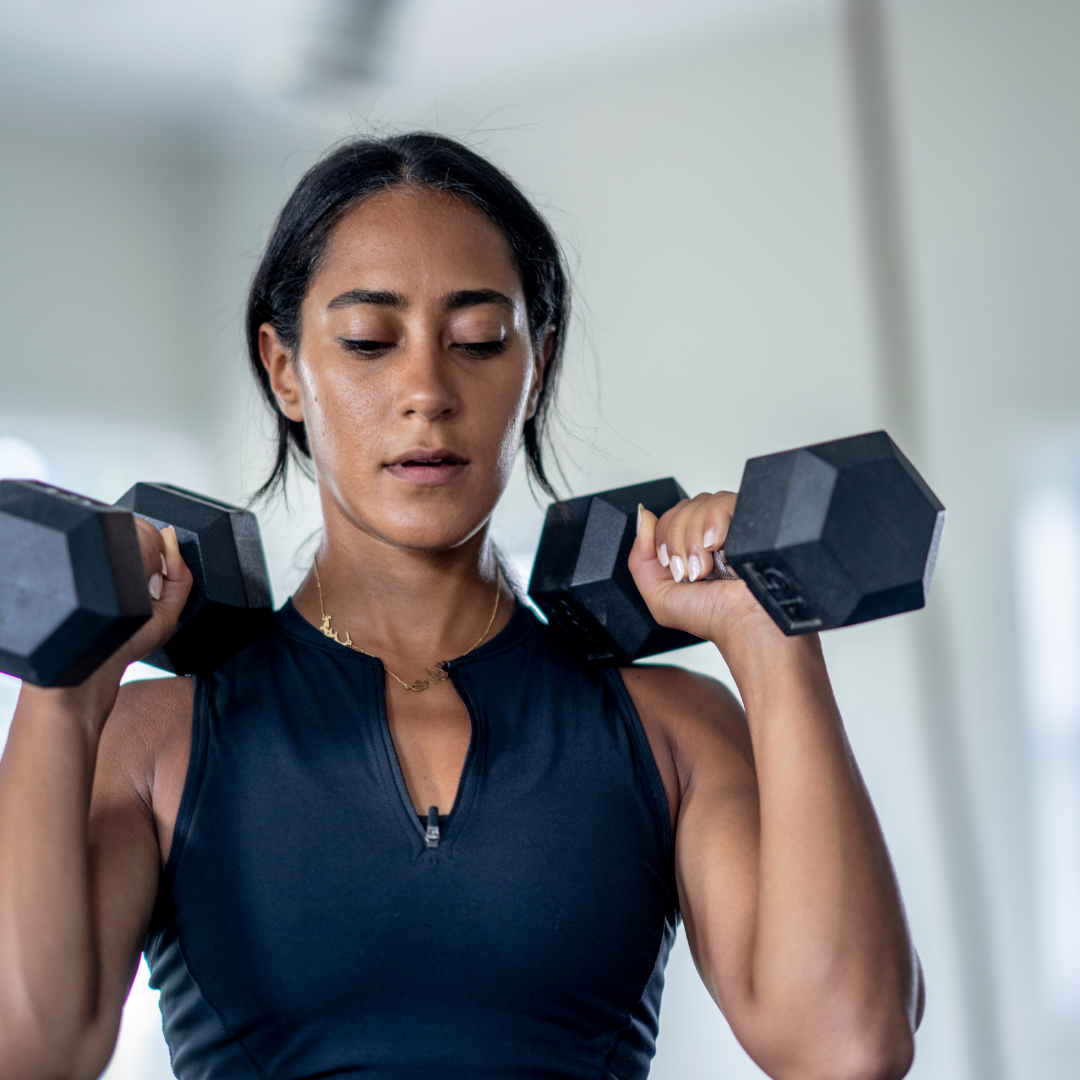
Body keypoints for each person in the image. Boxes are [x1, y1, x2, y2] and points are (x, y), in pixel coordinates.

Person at [0, 133, 923, 1080]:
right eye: (367, 341)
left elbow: (848, 1046)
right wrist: (65, 688)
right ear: (283, 369)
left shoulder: (669, 729)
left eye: (480, 341)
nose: (427, 393)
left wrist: (773, 648)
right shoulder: (155, 740)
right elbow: (28, 1050)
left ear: (536, 367)